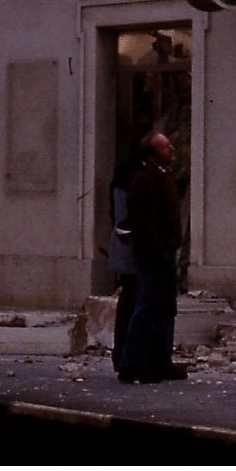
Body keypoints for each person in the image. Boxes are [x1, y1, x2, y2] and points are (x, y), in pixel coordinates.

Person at [117, 131, 186, 383]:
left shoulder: (162, 177)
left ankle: (160, 361)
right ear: (152, 154)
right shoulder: (145, 180)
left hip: (164, 252)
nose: (172, 151)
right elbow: (144, 221)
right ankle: (133, 364)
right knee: (148, 306)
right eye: (166, 148)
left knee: (165, 309)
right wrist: (159, 248)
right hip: (153, 255)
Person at [106, 149, 143, 371]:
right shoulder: (133, 182)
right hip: (132, 249)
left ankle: (122, 354)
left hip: (125, 248)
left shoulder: (120, 181)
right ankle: (126, 354)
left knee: (128, 300)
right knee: (133, 301)